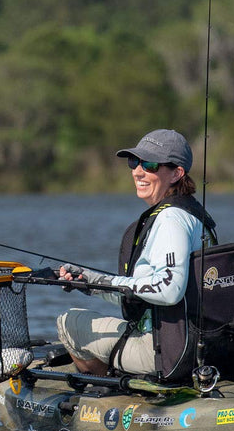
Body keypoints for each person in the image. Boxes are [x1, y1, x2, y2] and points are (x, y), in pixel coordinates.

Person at [54, 129, 217, 377]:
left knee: (68, 323)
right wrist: (92, 281)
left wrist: (103, 283)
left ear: (176, 173)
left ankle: (107, 391)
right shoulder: (193, 216)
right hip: (195, 344)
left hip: (165, 352)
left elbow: (168, 289)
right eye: (134, 162)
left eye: (149, 164)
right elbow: (146, 290)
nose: (137, 171)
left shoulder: (171, 219)